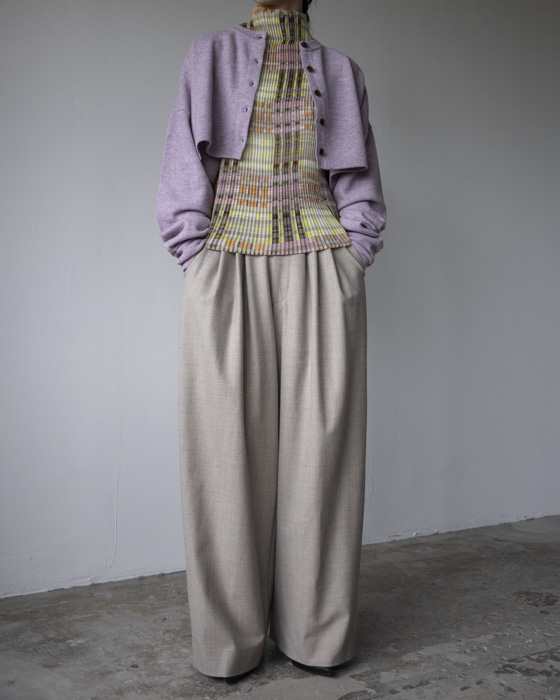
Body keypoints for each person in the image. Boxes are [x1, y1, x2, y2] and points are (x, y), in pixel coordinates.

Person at [156, 0, 387, 684]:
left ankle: (316, 634)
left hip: (323, 263)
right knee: (222, 455)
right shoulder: (210, 54)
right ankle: (229, 643)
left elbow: (359, 180)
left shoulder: (341, 70)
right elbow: (182, 159)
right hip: (226, 259)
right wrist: (196, 254)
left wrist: (353, 255)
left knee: (324, 457)